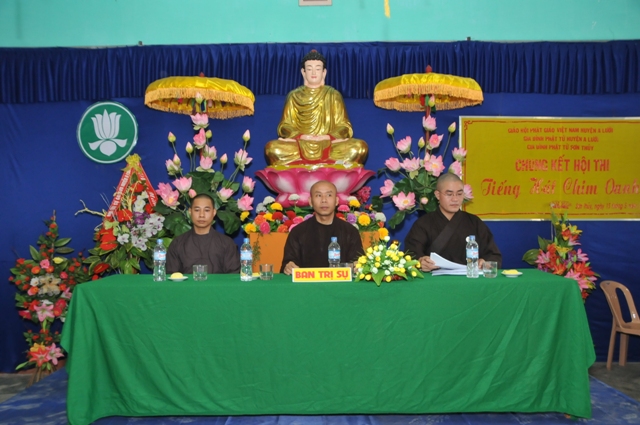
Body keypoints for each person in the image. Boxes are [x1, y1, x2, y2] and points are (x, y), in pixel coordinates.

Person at [265, 50, 368, 166]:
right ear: (303, 72)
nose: (313, 72)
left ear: (324, 72)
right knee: (272, 148)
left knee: (359, 148)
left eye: (318, 69)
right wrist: (301, 136)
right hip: (300, 143)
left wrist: (327, 137)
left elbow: (344, 126)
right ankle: (328, 165)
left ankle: (316, 164)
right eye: (309, 69)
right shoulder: (293, 96)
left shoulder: (333, 95)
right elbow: (284, 126)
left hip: (329, 144)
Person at [404, 174, 502, 272]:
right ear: (437, 195)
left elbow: (494, 256)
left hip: (469, 279)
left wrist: (484, 262)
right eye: (449, 194)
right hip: (434, 279)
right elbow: (411, 255)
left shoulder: (474, 222)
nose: (455, 199)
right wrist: (421, 262)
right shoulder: (423, 223)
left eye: (459, 194)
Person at [281, 180, 364, 274]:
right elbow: (288, 263)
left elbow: (357, 262)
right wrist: (288, 267)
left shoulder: (350, 231)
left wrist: (357, 266)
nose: (324, 200)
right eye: (318, 195)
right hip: (308, 283)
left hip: (340, 283)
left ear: (336, 201)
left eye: (329, 195)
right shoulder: (298, 232)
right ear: (310, 201)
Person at [166, 193, 240, 274]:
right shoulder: (178, 243)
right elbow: (171, 276)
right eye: (197, 210)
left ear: (214, 212)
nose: (201, 215)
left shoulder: (226, 243)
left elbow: (233, 276)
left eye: (207, 210)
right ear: (190, 211)